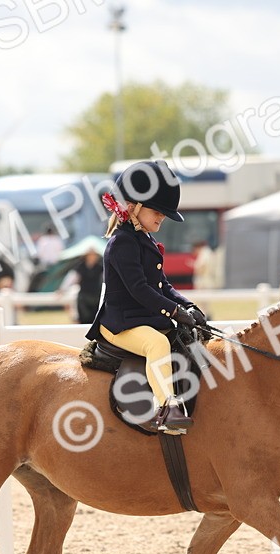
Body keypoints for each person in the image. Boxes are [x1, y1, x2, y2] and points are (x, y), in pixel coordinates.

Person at [86, 160, 210, 434]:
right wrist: (174, 313)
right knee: (156, 344)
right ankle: (167, 407)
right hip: (121, 324)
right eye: (157, 212)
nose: (161, 218)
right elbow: (140, 289)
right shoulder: (121, 243)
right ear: (134, 207)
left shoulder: (144, 239)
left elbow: (162, 285)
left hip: (143, 316)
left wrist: (188, 305)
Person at [62, 245, 104, 324]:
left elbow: (106, 280)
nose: (92, 257)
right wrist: (62, 289)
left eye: (93, 255)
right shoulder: (80, 267)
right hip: (84, 297)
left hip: (96, 296)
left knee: (95, 320)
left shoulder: (100, 267)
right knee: (83, 319)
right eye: (90, 255)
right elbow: (71, 279)